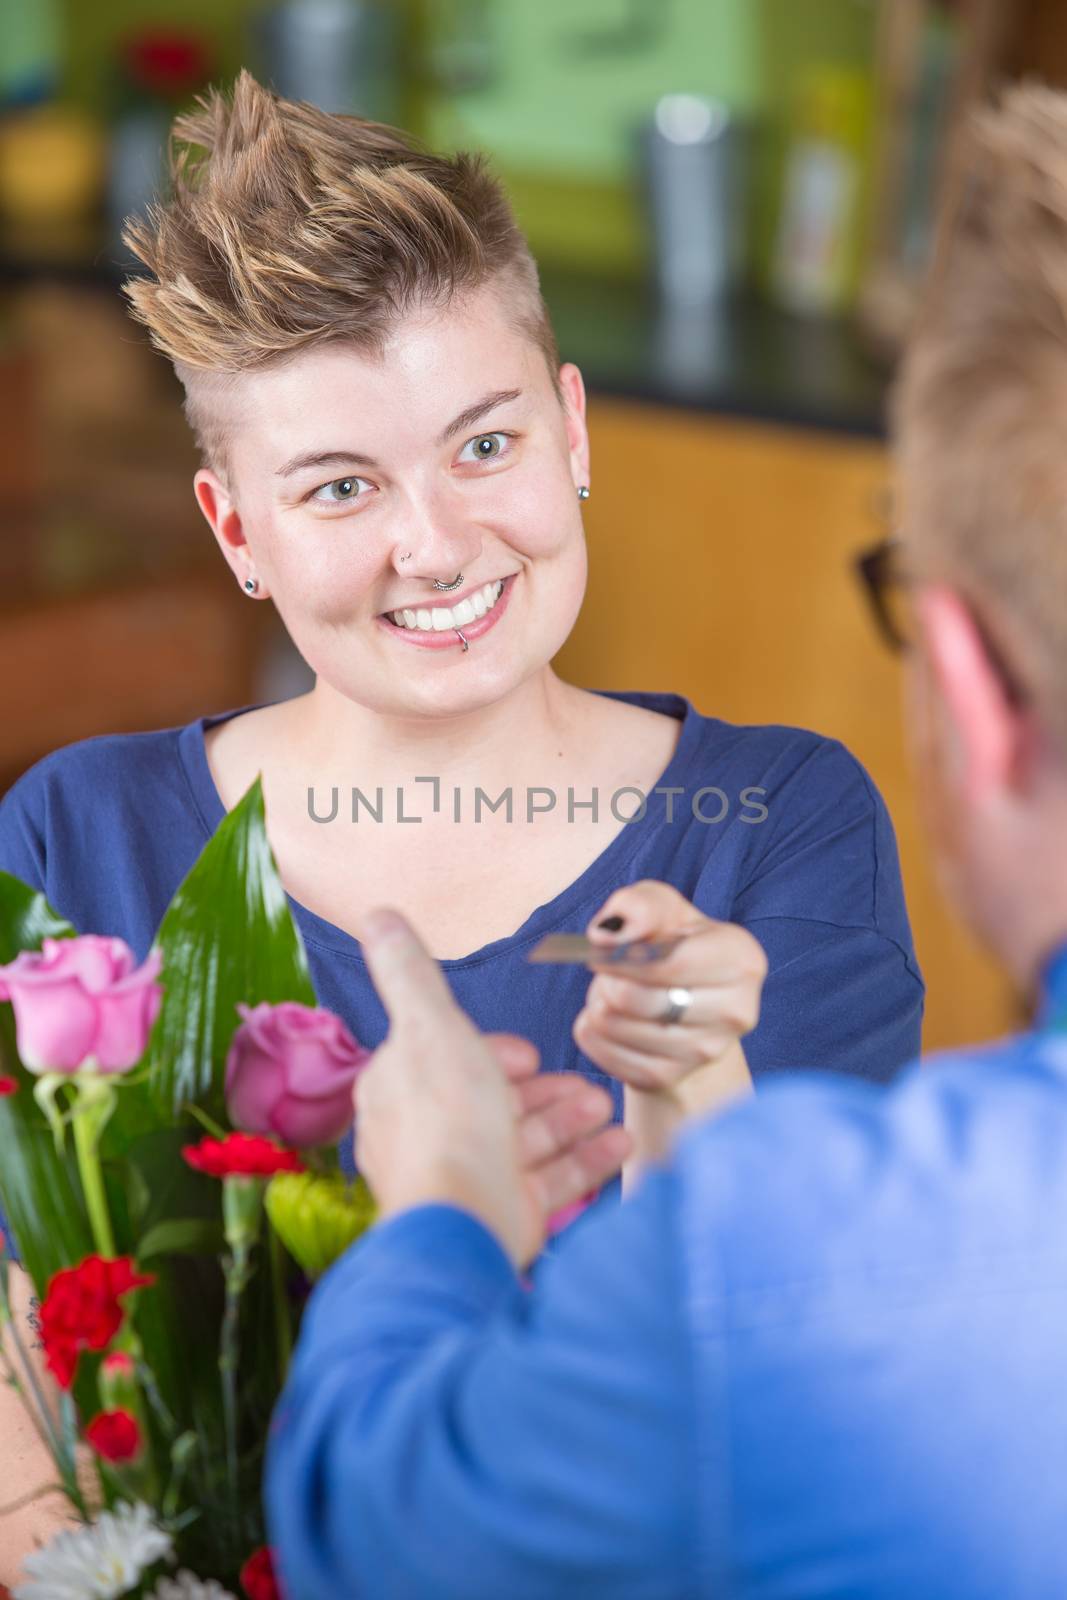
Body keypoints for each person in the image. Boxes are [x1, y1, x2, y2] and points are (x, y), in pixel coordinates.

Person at [265, 84, 1067, 1598]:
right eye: (345, 486)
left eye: (482, 447)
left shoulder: (812, 1223)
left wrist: (441, 1204)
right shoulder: (75, 828)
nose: (429, 544)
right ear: (237, 526)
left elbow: (386, 1535)